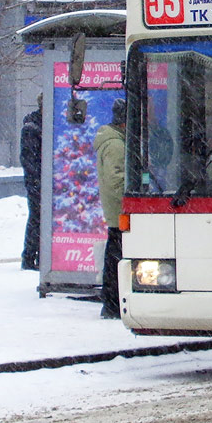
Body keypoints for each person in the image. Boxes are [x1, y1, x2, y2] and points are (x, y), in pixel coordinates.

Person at [94, 98, 126, 319]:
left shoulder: (113, 141)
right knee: (116, 256)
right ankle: (112, 303)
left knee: (114, 255)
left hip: (115, 209)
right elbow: (116, 181)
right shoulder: (116, 145)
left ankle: (112, 302)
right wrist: (135, 192)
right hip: (119, 209)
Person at [19, 95, 42, 271]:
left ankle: (36, 255)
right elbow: (29, 158)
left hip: (39, 180)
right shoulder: (33, 127)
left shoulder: (36, 124)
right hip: (37, 181)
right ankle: (29, 256)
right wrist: (37, 180)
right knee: (37, 218)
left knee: (38, 218)